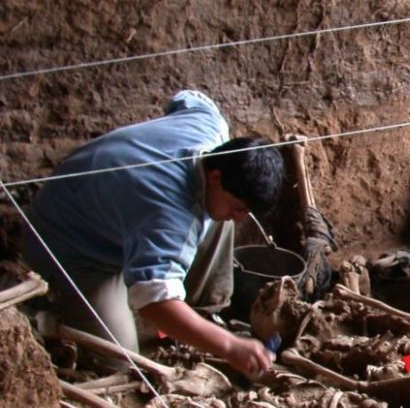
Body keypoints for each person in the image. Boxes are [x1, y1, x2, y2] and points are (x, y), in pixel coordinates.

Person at [22, 90, 283, 377]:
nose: (239, 219)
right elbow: (153, 303)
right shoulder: (168, 217)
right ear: (215, 176)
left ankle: (204, 312)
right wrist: (229, 346)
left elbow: (189, 97)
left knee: (219, 217)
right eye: (237, 207)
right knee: (121, 365)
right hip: (69, 246)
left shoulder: (210, 128)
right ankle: (50, 310)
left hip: (100, 206)